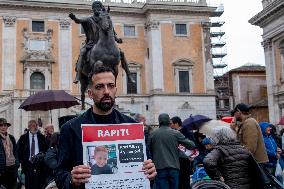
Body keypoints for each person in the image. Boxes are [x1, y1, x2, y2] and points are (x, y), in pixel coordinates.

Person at [55, 66, 156, 189]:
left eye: (111, 86)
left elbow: (147, 177)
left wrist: (150, 173)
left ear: (116, 90)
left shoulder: (134, 127)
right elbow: (59, 175)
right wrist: (71, 179)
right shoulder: (70, 129)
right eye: (99, 87)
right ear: (90, 93)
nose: (106, 91)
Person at [69, 1, 122, 84]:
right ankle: (78, 75)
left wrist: (117, 39)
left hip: (105, 43)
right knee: (83, 52)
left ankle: (128, 74)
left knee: (121, 52)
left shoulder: (105, 18)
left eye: (99, 7)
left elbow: (111, 31)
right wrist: (74, 18)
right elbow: (80, 21)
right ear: (93, 9)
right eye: (95, 7)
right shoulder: (89, 19)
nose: (97, 9)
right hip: (92, 43)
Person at [150, 113, 195, 189]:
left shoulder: (153, 134)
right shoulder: (175, 133)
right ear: (168, 122)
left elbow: (149, 150)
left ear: (159, 121)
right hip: (174, 167)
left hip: (159, 167)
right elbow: (192, 145)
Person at [17, 120, 48, 189]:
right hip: (28, 164)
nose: (36, 127)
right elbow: (19, 151)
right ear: (29, 127)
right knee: (29, 184)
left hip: (39, 164)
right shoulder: (23, 138)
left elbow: (45, 149)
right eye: (33, 126)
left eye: (36, 125)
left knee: (39, 184)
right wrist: (20, 162)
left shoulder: (41, 137)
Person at [170, 116, 192, 189]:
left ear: (176, 123)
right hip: (177, 160)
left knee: (185, 181)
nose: (170, 125)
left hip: (185, 160)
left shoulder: (187, 133)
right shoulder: (172, 133)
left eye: (171, 123)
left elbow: (193, 145)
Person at [0, 118, 18, 189]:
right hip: (2, 169)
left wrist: (17, 163)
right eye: (1, 125)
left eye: (5, 125)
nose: (3, 127)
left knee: (13, 187)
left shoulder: (11, 137)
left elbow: (15, 151)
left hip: (12, 167)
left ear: (7, 127)